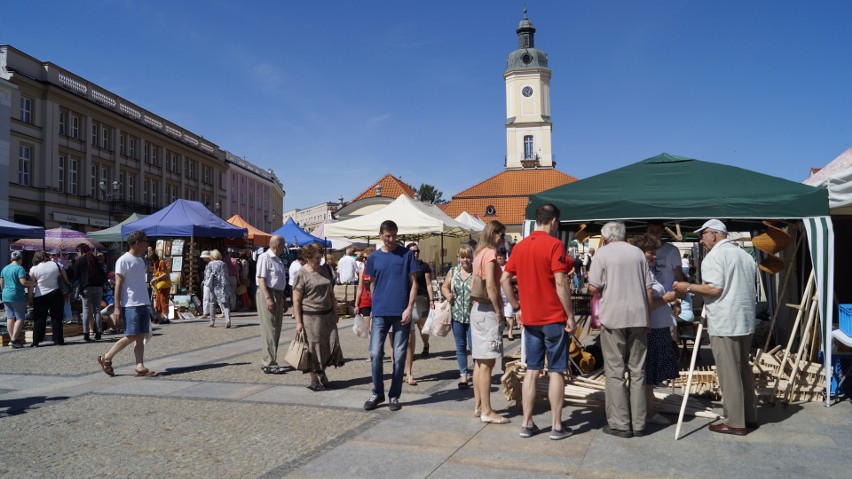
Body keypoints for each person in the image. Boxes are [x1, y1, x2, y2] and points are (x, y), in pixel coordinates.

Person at [673, 219, 758, 436]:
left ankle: (735, 421)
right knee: (742, 370)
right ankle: (748, 416)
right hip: (744, 319)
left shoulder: (715, 256)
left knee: (729, 372)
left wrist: (688, 286)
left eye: (703, 235)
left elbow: (714, 289)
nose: (701, 241)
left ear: (713, 234)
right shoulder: (744, 255)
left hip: (726, 320)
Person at [501, 203, 575, 440]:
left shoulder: (520, 247)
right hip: (553, 317)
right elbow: (561, 282)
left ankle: (527, 423)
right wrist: (571, 315)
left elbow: (504, 279)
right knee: (556, 372)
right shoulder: (555, 244)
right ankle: (556, 426)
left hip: (531, 318)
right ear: (553, 221)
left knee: (532, 371)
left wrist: (516, 306)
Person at [587, 221, 653, 438]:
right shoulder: (638, 253)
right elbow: (648, 288)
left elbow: (593, 287)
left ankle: (620, 423)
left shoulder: (602, 254)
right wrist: (648, 317)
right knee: (638, 371)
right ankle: (640, 422)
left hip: (613, 317)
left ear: (606, 236)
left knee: (615, 372)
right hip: (639, 316)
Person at [363, 220, 418, 412]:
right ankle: (377, 392)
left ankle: (394, 395)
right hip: (380, 312)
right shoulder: (374, 258)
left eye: (394, 235)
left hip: (401, 311)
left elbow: (414, 284)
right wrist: (373, 307)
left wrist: (409, 307)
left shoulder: (407, 254)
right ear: (381, 235)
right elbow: (371, 283)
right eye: (388, 236)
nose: (392, 239)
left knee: (400, 354)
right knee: (375, 353)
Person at [96, 230, 158, 377]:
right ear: (137, 242)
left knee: (141, 335)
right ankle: (107, 357)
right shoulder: (123, 260)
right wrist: (117, 307)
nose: (147, 243)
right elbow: (118, 285)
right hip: (130, 304)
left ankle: (139, 366)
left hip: (142, 302)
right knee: (131, 335)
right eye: (145, 241)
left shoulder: (140, 260)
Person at [633, 233, 680, 426]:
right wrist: (666, 300)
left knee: (652, 374)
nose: (653, 257)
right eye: (650, 253)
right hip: (651, 326)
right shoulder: (642, 272)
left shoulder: (648, 270)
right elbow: (644, 304)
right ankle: (648, 411)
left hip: (658, 325)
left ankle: (648, 408)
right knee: (648, 373)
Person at [470, 220, 509, 425]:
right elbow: (492, 286)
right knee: (487, 363)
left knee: (479, 362)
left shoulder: (478, 253)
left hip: (477, 309)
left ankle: (479, 406)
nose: (503, 240)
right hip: (487, 311)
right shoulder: (490, 254)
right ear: (494, 234)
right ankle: (487, 410)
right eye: (501, 236)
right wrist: (499, 311)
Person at [292, 243, 343, 391]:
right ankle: (314, 379)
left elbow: (332, 294)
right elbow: (296, 300)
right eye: (316, 258)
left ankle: (322, 372)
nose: (319, 260)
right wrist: (298, 322)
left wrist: (335, 312)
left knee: (329, 344)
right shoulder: (302, 273)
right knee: (313, 348)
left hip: (327, 316)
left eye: (320, 257)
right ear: (307, 257)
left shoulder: (326, 269)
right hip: (310, 317)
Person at [441, 244, 474, 390]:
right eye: (462, 257)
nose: (465, 260)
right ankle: (464, 376)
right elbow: (444, 286)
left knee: (474, 347)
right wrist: (447, 295)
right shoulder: (453, 271)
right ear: (458, 258)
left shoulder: (476, 272)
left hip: (473, 316)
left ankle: (479, 373)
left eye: (468, 257)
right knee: (460, 347)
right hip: (457, 315)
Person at [256, 235, 289, 374]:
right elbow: (261, 279)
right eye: (283, 245)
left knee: (276, 329)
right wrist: (268, 298)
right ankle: (268, 363)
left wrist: (282, 298)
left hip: (278, 294)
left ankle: (271, 360)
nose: (284, 248)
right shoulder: (265, 257)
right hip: (268, 293)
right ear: (278, 245)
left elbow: (279, 280)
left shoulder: (278, 260)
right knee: (269, 329)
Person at [403, 242, 434, 386]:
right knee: (410, 332)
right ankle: (410, 356)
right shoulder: (405, 265)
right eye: (413, 251)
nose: (415, 253)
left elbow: (428, 284)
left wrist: (432, 299)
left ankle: (426, 344)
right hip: (409, 300)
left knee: (422, 327)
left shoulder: (424, 266)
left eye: (417, 251)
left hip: (421, 298)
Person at [28, 250, 70, 347]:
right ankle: (58, 340)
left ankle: (36, 341)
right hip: (56, 293)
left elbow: (31, 285)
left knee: (39, 318)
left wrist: (30, 298)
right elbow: (66, 279)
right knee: (56, 317)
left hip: (40, 295)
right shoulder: (57, 265)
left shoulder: (34, 268)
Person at [74, 243, 108, 341]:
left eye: (77, 252)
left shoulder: (79, 261)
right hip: (98, 287)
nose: (77, 254)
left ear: (81, 251)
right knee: (97, 310)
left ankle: (86, 334)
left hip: (86, 288)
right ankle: (98, 333)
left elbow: (76, 277)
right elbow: (103, 274)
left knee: (86, 311)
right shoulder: (96, 260)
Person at [2, 251, 35, 349]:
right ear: (20, 259)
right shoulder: (20, 268)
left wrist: (4, 291)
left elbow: (1, 282)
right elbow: (23, 282)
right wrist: (33, 284)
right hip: (16, 295)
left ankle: (13, 339)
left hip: (6, 295)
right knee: (20, 317)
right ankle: (13, 340)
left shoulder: (5, 268)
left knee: (10, 317)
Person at [204, 249, 232, 328]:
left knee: (212, 304)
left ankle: (212, 321)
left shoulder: (210, 264)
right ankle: (227, 319)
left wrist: (206, 283)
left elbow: (208, 275)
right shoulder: (224, 264)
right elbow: (226, 275)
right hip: (224, 286)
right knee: (225, 304)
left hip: (214, 286)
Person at [495, 247, 516, 341]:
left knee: (509, 315)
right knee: (498, 315)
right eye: (498, 255)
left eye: (501, 255)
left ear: (504, 256)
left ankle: (510, 333)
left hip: (508, 294)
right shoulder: (493, 266)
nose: (499, 257)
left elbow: (517, 276)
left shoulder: (509, 265)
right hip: (497, 294)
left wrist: (506, 279)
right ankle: (498, 332)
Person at [355, 248, 374, 338]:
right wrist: (356, 305)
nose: (364, 259)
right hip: (365, 301)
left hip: (376, 302)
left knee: (375, 328)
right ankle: (373, 349)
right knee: (367, 328)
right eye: (363, 257)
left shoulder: (378, 270)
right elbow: (359, 288)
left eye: (366, 258)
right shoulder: (362, 270)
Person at [148, 252, 171, 324]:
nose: (151, 262)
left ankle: (166, 317)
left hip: (165, 285)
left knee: (163, 301)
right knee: (158, 301)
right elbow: (155, 274)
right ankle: (159, 317)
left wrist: (156, 279)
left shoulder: (161, 262)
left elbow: (164, 274)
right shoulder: (155, 264)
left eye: (151, 260)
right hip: (159, 286)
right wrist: (152, 280)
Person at [199, 250, 212, 318]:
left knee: (215, 297)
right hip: (207, 282)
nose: (203, 259)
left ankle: (223, 311)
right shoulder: (207, 264)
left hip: (210, 282)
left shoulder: (212, 263)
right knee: (206, 297)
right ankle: (206, 312)